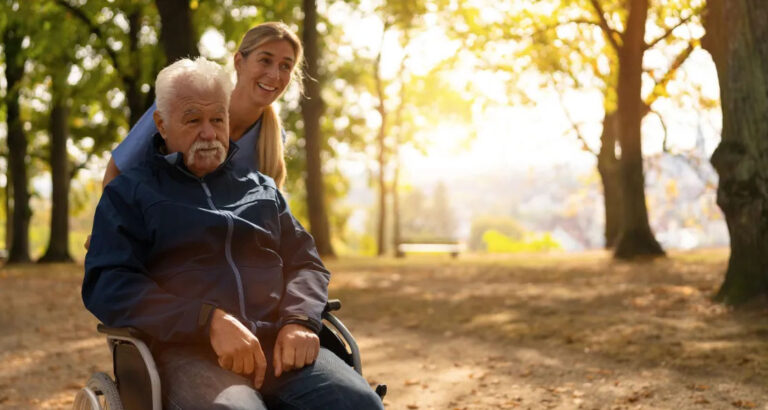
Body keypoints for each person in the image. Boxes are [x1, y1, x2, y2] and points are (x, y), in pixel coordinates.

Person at [83, 57, 383, 410]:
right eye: (193, 120)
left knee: (359, 404)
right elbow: (108, 283)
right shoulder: (129, 194)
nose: (209, 133)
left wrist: (299, 320)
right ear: (161, 125)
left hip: (279, 345)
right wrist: (207, 321)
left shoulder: (262, 191)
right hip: (185, 354)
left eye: (218, 119)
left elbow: (306, 264)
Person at [103, 21, 300, 189]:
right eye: (265, 60)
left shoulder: (273, 137)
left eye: (285, 66)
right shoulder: (180, 100)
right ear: (239, 62)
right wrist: (109, 231)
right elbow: (116, 171)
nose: (275, 75)